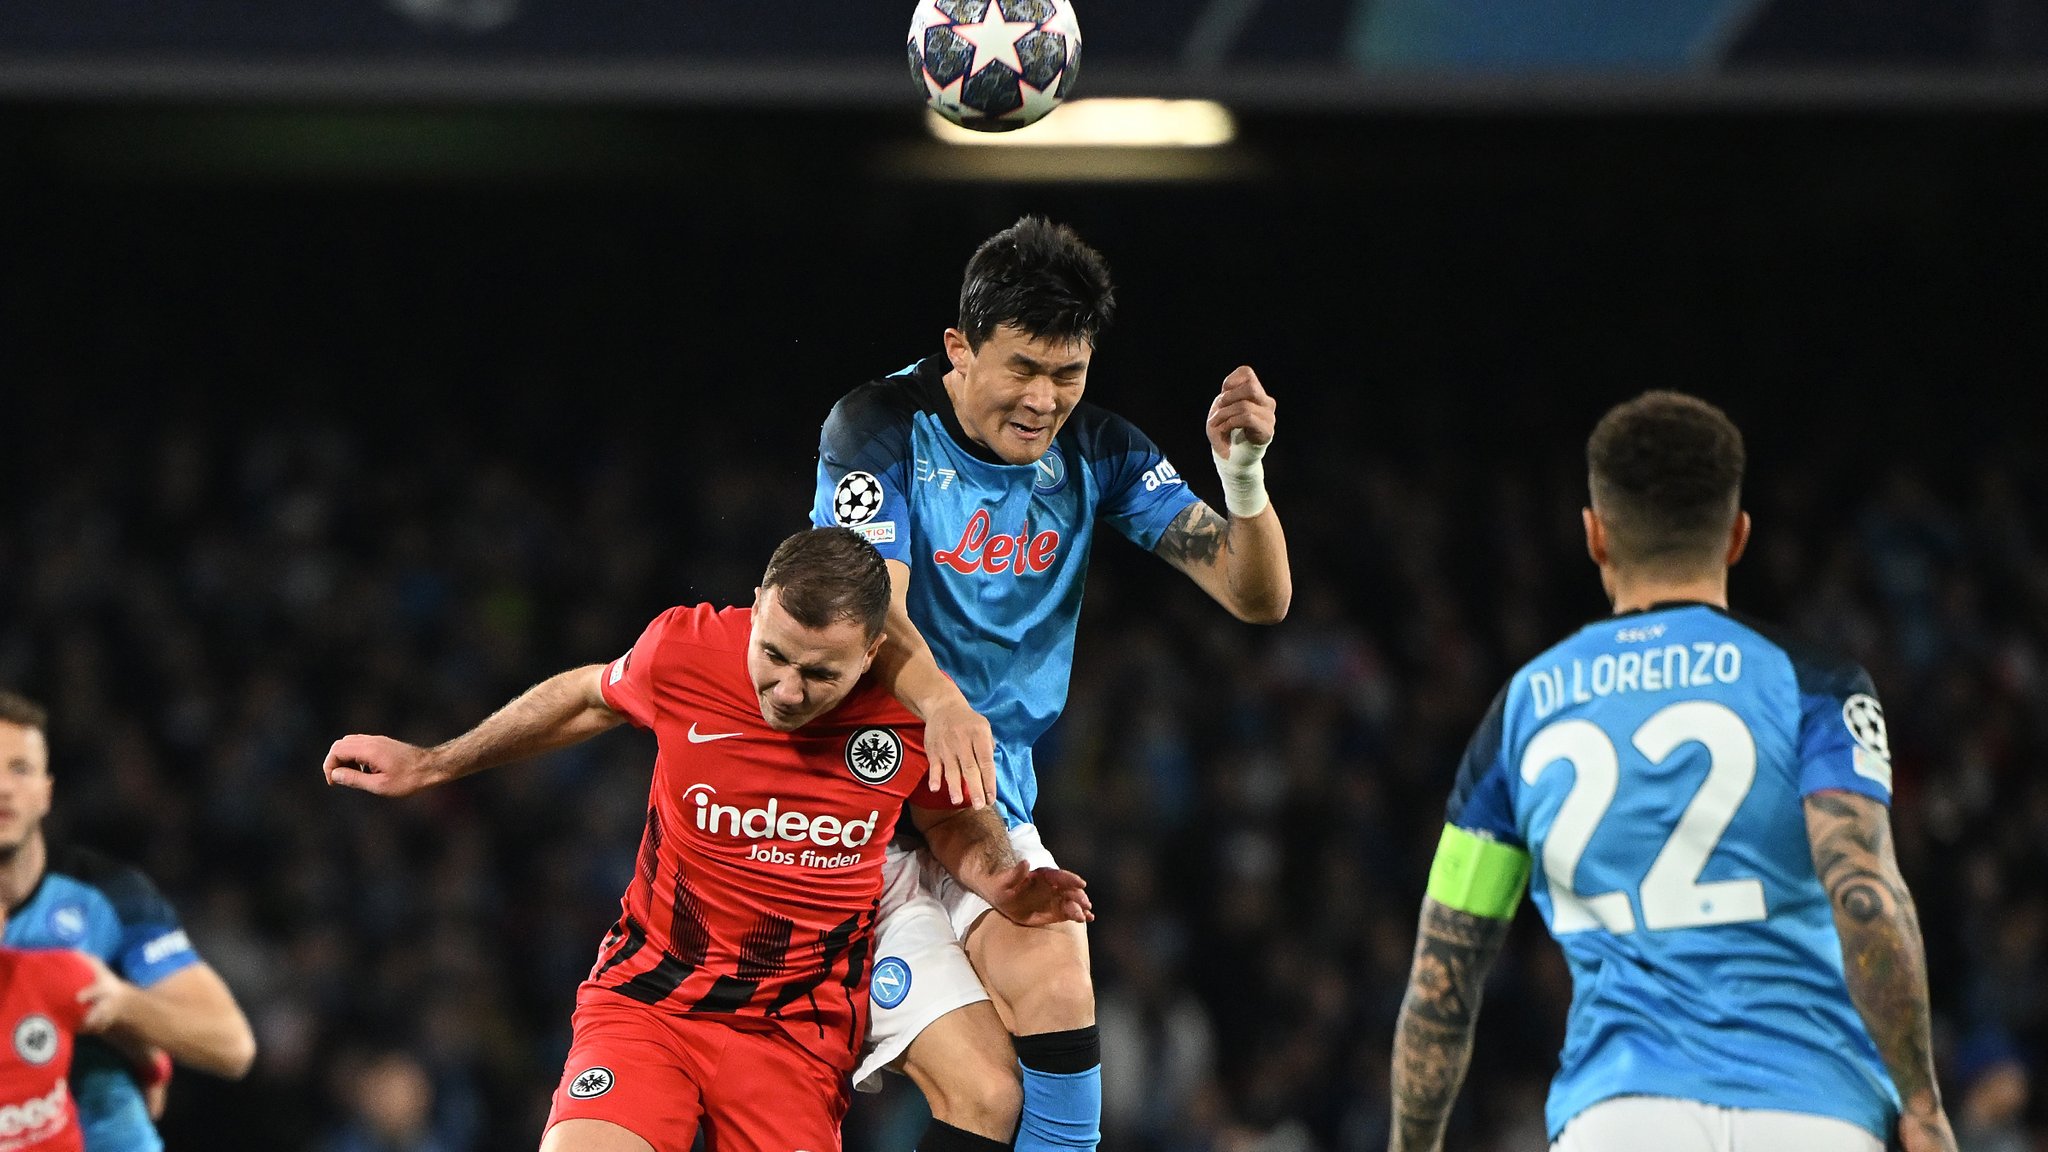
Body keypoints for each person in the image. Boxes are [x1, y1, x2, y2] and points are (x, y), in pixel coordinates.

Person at [323, 527, 1094, 1152]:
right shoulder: (685, 650)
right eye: (775, 656)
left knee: (993, 1096)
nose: (787, 691)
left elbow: (951, 820)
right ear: (757, 608)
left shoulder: (905, 718)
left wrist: (1000, 880)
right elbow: (588, 697)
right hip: (650, 1000)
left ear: (871, 655)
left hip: (795, 1029)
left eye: (819, 675)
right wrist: (435, 762)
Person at [810, 216, 1291, 1152]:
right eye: (1023, 369)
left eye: (1067, 375)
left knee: (1063, 997)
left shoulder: (1100, 451)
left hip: (986, 805)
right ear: (960, 347)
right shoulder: (876, 429)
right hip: (857, 806)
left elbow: (1254, 592)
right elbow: (874, 613)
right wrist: (944, 701)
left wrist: (1243, 477)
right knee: (989, 1099)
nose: (1045, 400)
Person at [1386, 391, 1956, 1152]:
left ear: (1594, 537)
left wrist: (1410, 1145)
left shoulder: (1522, 713)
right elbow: (1866, 893)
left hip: (1619, 1119)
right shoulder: (1815, 686)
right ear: (1738, 536)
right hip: (1813, 1111)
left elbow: (1443, 977)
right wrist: (1920, 1102)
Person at [0, 691, 257, 1152]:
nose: (3, 788)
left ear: (46, 792)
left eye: (20, 769)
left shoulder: (108, 895)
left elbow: (231, 1045)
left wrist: (123, 1007)